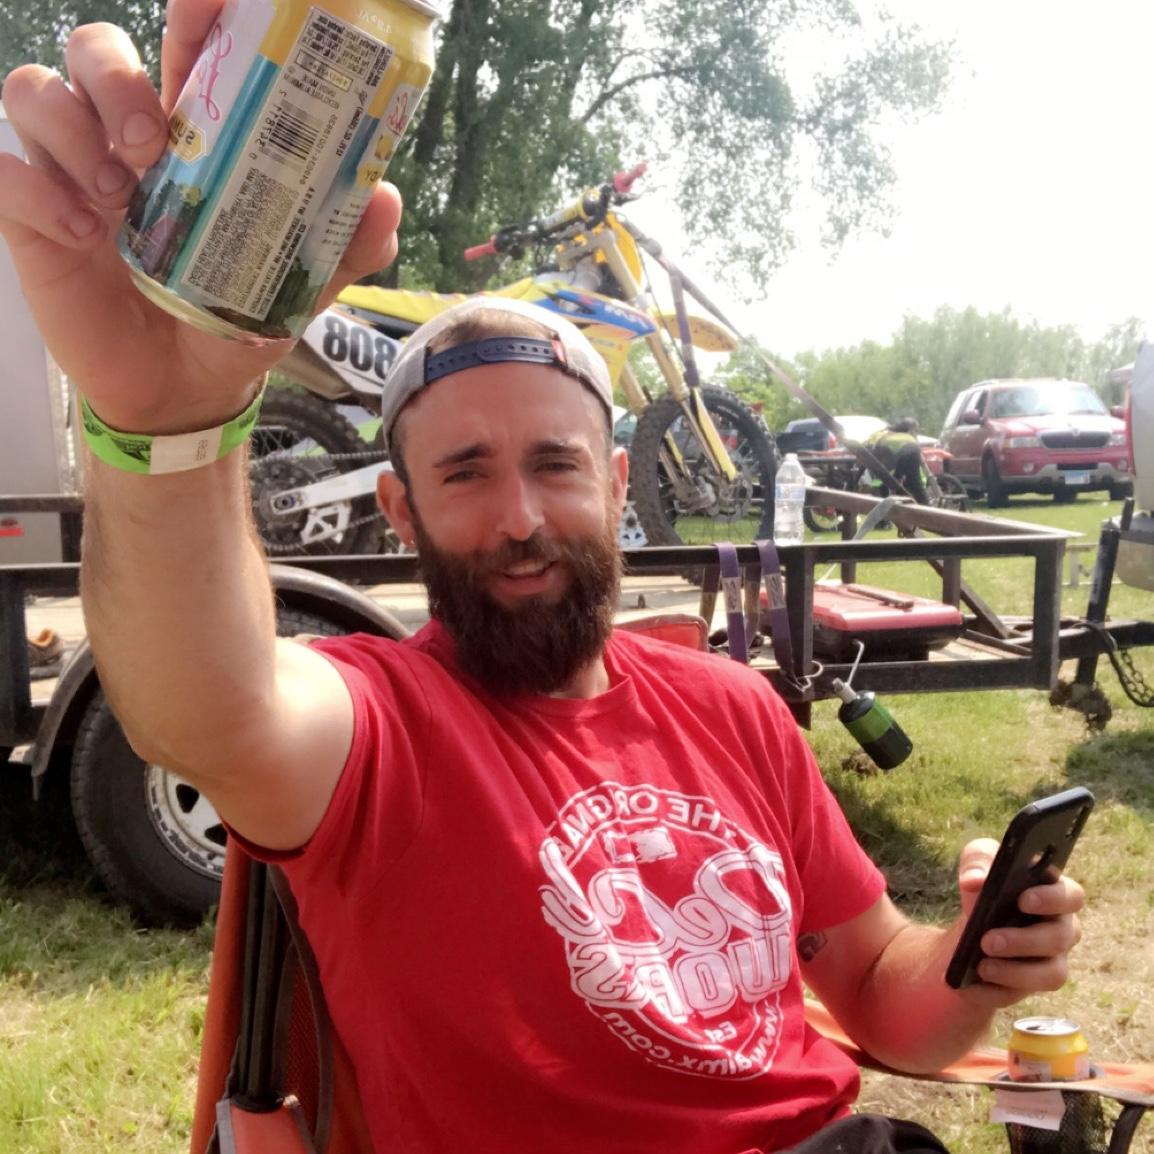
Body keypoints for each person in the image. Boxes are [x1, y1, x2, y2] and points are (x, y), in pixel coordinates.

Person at [0, 10, 1085, 1153]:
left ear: (613, 484)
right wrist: (165, 420)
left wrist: (971, 958)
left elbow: (877, 991)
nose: (518, 517)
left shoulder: (736, 711)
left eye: (555, 465)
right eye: (464, 472)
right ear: (400, 510)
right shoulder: (380, 728)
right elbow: (202, 706)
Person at [866, 417, 930, 505]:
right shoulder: (907, 438)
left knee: (883, 480)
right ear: (910, 430)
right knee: (915, 482)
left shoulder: (883, 434)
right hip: (899, 463)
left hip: (882, 466)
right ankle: (925, 504)